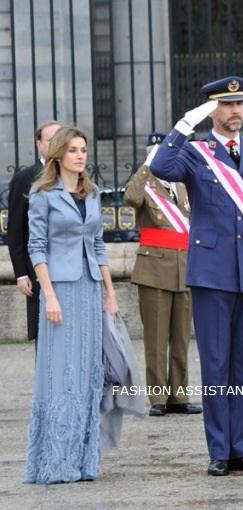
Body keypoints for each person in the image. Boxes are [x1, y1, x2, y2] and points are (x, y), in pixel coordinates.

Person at [150, 76, 243, 476]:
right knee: (216, 363)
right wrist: (184, 125)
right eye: (226, 105)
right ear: (212, 110)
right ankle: (220, 451)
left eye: (240, 103)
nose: (235, 111)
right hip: (212, 275)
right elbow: (160, 166)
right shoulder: (195, 153)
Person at [25, 126, 119, 484]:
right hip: (60, 291)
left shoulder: (91, 193)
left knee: (87, 377)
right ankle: (56, 463)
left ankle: (84, 462)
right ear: (59, 154)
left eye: (84, 150)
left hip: (90, 290)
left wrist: (110, 293)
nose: (81, 155)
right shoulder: (42, 194)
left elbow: (98, 246)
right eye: (74, 150)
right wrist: (48, 294)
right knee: (62, 376)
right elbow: (37, 247)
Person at [124, 132, 202, 417]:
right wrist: (147, 165)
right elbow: (130, 198)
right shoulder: (146, 184)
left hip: (184, 267)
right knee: (156, 339)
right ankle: (157, 398)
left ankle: (179, 396)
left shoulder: (182, 186)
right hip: (154, 269)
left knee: (181, 338)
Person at [7, 120, 62, 345]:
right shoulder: (24, 179)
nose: (57, 145)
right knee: (45, 332)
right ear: (39, 144)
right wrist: (21, 273)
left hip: (68, 266)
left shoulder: (74, 174)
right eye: (51, 141)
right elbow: (16, 230)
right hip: (38, 268)